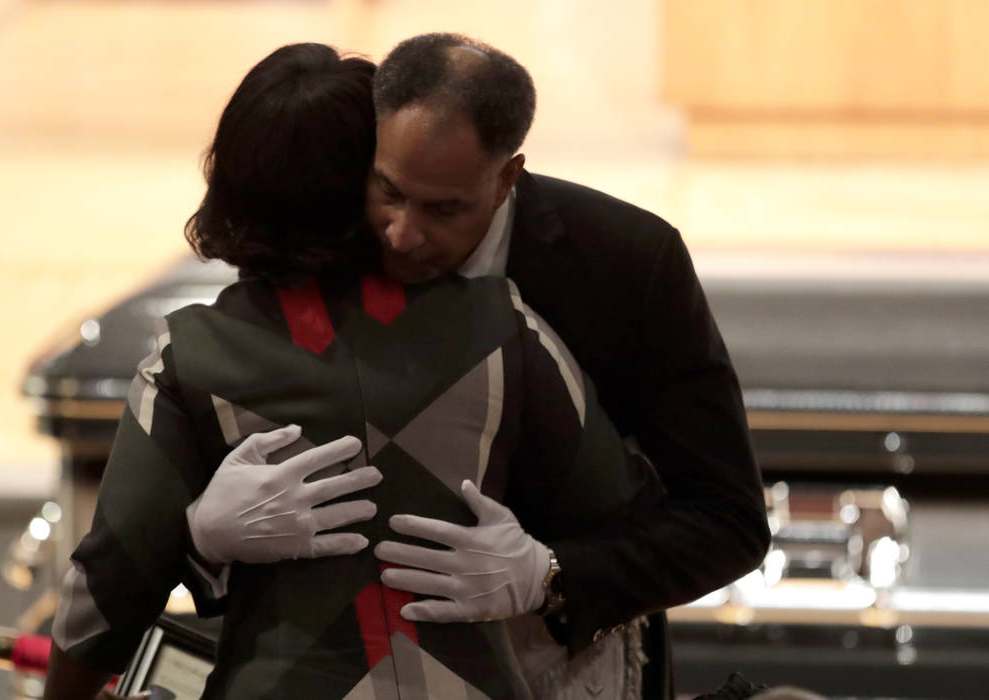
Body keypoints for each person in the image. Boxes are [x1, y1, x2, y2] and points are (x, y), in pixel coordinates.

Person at [44, 43, 665, 699]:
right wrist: (542, 568)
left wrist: (194, 539)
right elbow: (620, 505)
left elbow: (113, 576)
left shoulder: (191, 353)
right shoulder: (506, 326)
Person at [189, 33, 770, 699]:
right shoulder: (332, 229)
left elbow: (728, 521)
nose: (403, 234)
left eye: (445, 209)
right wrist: (202, 532)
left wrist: (548, 574)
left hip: (567, 661)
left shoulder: (630, 264)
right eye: (390, 192)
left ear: (507, 177)